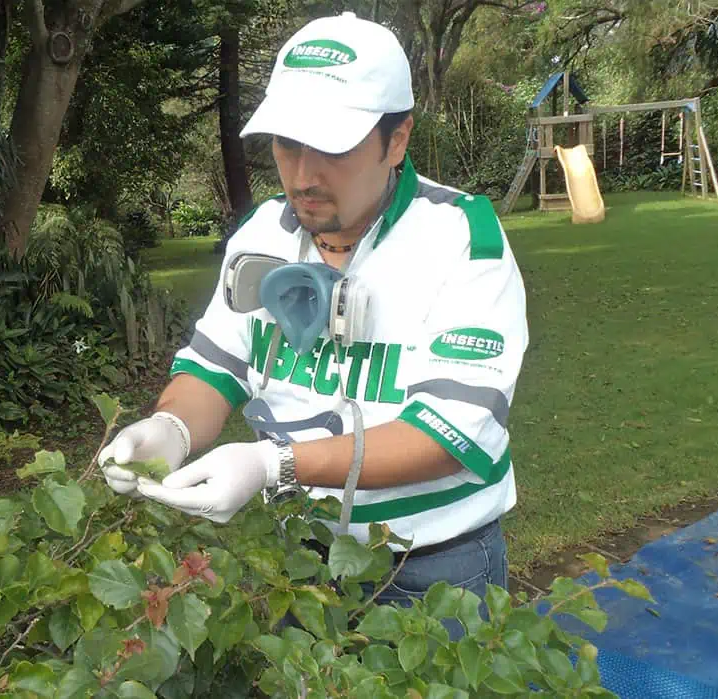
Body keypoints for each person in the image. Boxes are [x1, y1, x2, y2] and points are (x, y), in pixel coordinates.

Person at [98, 11, 528, 605]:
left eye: (331, 145)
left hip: (431, 566)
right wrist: (168, 429)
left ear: (396, 139)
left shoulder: (462, 242)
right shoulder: (262, 234)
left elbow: (450, 433)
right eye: (288, 142)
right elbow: (214, 366)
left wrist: (274, 467)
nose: (303, 174)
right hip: (291, 556)